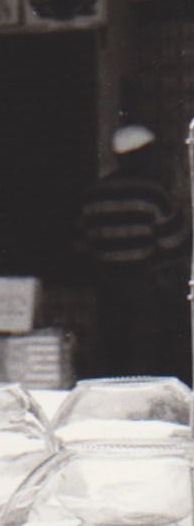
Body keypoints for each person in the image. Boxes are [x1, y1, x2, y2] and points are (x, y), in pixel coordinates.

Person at [74, 123, 192, 378]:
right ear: (142, 155)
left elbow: (82, 247)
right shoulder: (154, 193)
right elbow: (175, 244)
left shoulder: (93, 195)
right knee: (145, 356)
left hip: (105, 287)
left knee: (112, 353)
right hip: (144, 288)